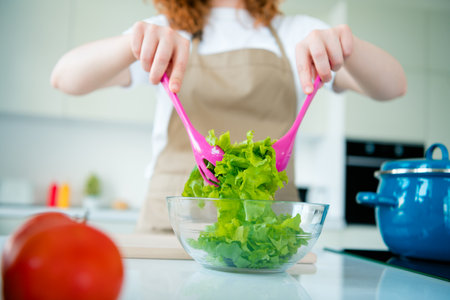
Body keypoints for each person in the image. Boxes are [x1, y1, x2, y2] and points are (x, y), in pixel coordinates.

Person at [50, 0, 407, 233]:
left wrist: (348, 47)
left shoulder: (295, 32)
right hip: (174, 226)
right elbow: (64, 78)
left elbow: (394, 86)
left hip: (268, 227)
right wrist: (131, 45)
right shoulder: (163, 31)